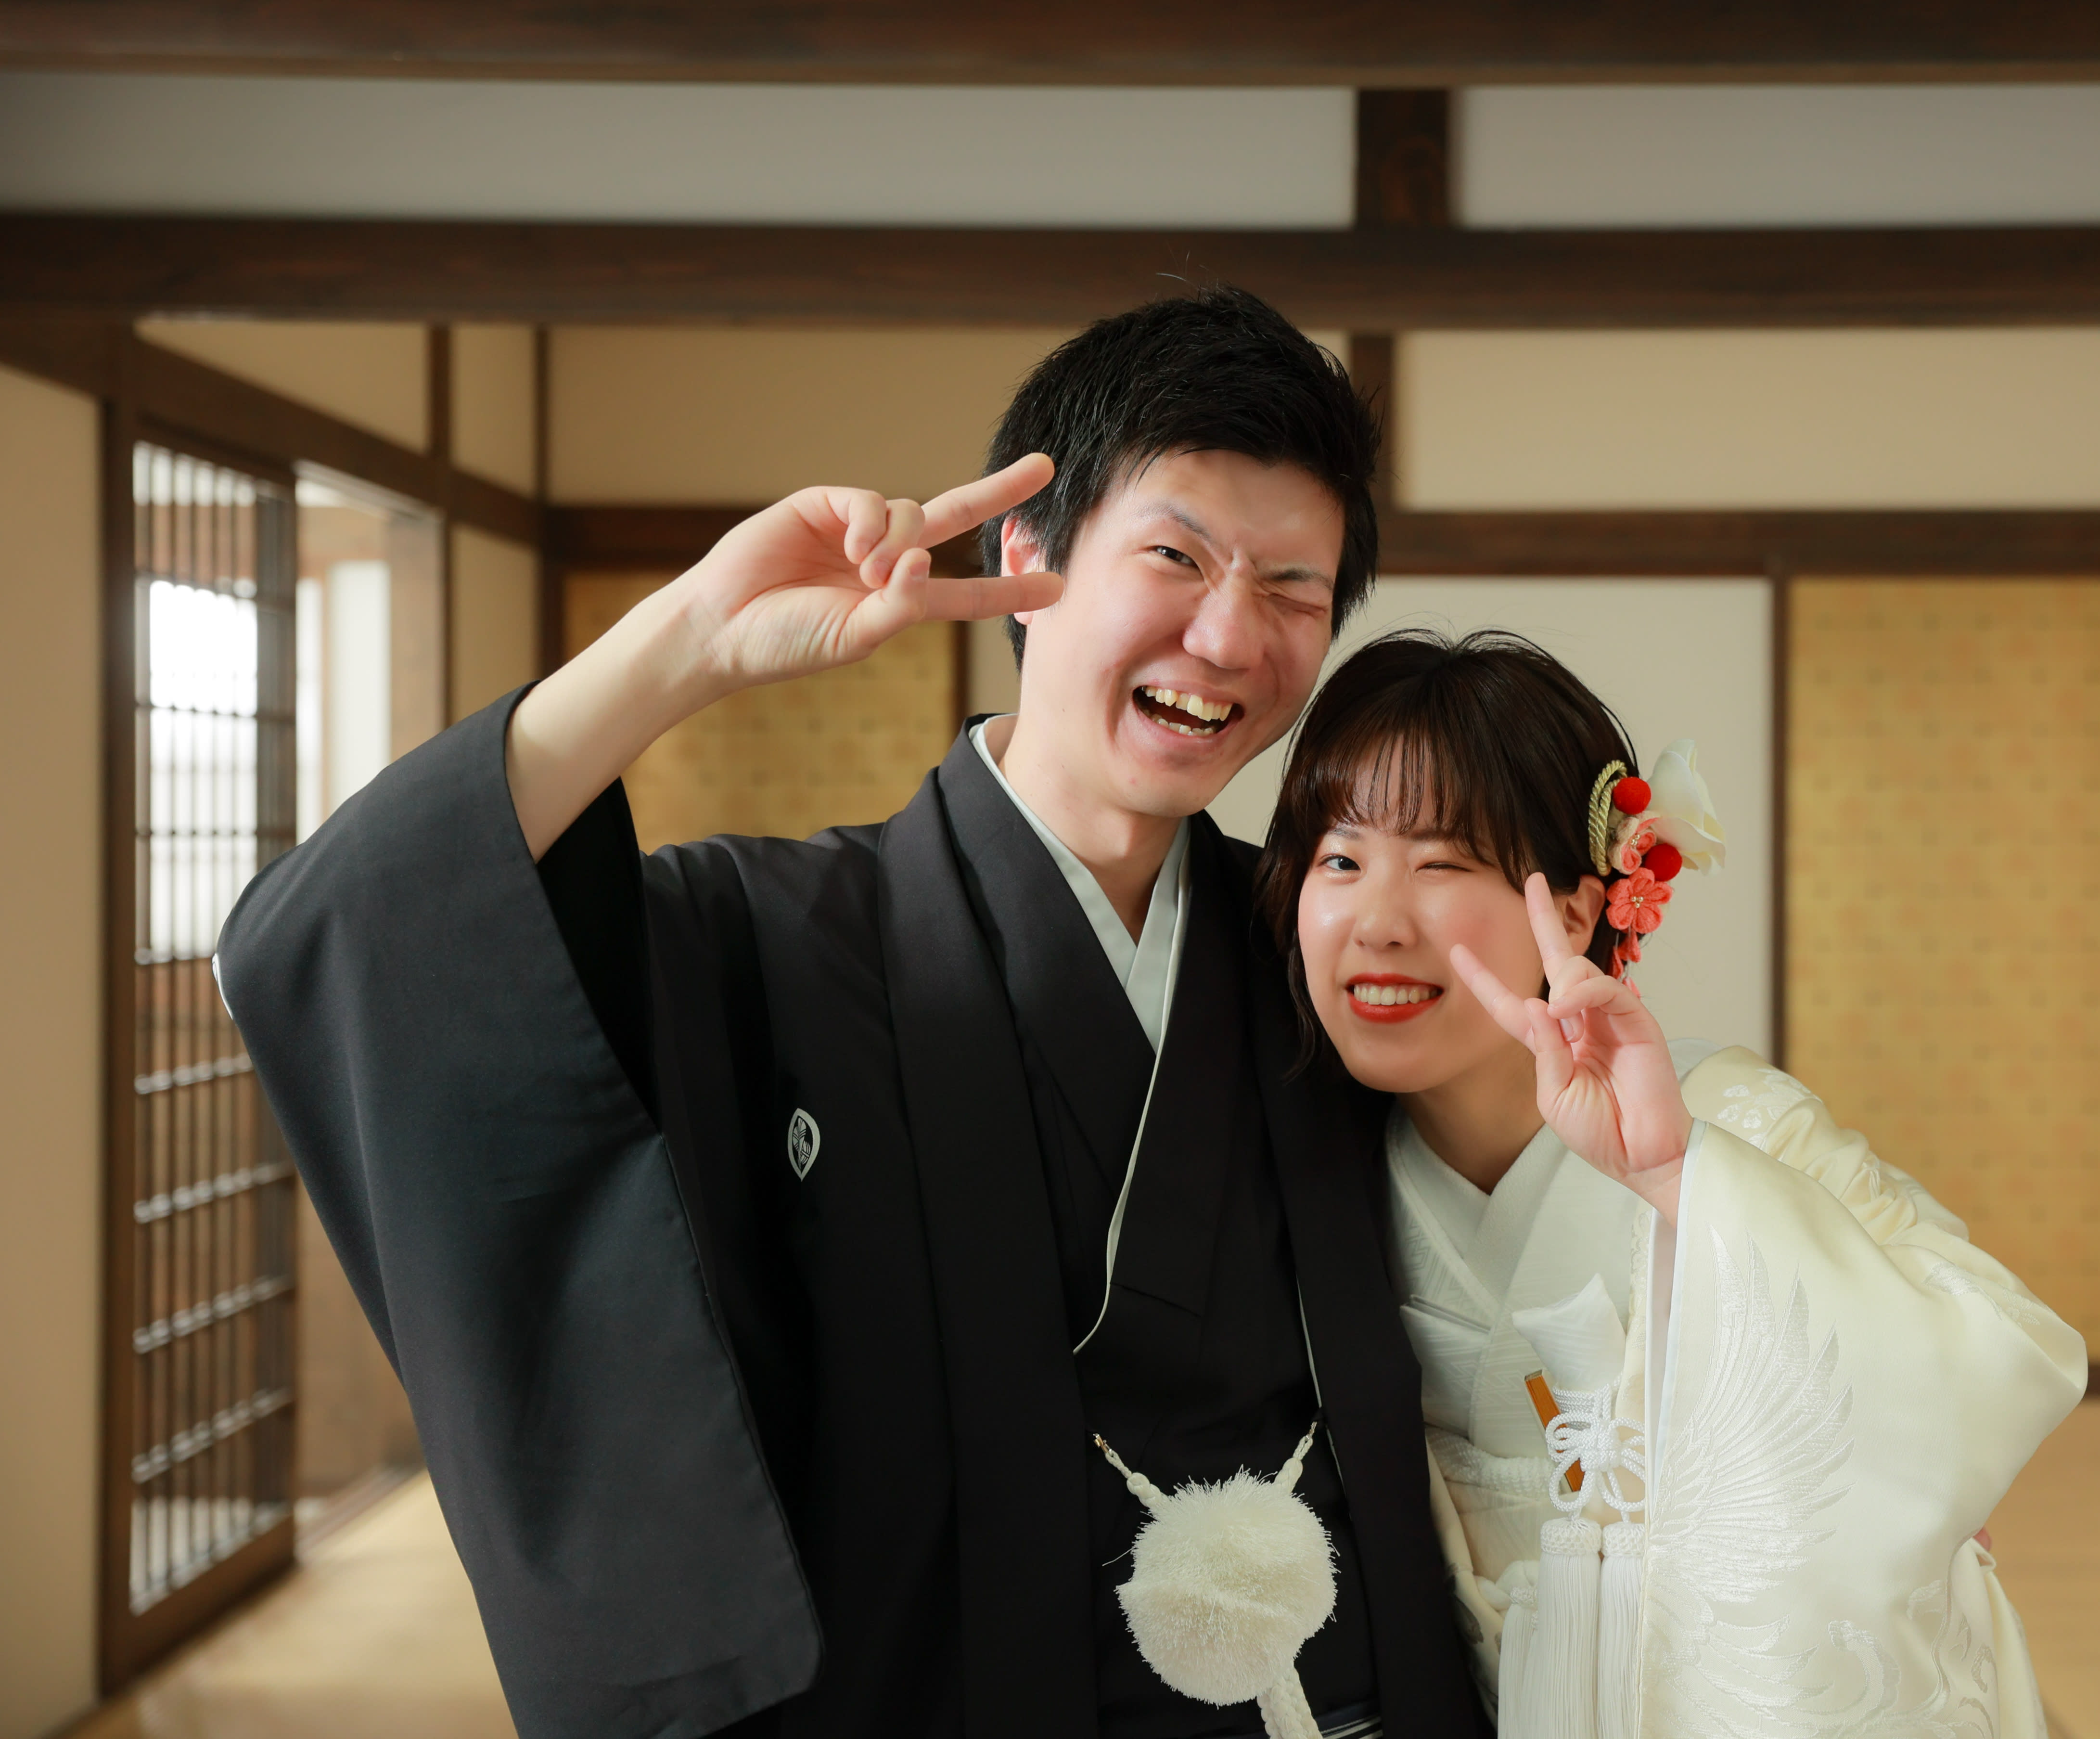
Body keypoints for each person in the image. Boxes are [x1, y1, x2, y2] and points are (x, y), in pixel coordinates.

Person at [215, 291, 1483, 1739]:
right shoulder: (770, 938)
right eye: (1176, 556)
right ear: (1027, 553)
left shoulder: (1314, 945)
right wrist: (689, 640)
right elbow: (357, 928)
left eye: (1293, 590)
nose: (1227, 633)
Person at [1256, 631, 2087, 1738]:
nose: (1377, 921)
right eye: (1340, 859)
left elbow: (1994, 1359)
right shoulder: (1314, 1165)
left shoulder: (1731, 1119)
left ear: (1579, 909)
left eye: (1442, 862)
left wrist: (1680, 1178)